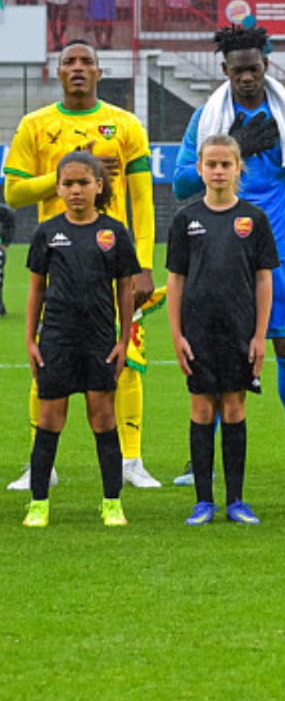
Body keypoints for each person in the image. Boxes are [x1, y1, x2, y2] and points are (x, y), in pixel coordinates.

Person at [174, 23, 285, 485]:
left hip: (278, 250)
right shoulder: (207, 119)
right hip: (219, 254)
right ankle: (201, 459)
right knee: (217, 351)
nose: (247, 78)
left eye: (255, 69)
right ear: (225, 70)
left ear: (266, 66)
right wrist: (235, 147)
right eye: (238, 71)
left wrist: (264, 223)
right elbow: (182, 182)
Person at [5, 40, 159, 493]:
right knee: (47, 361)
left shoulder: (125, 124)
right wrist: (63, 176)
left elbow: (143, 199)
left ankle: (132, 460)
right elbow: (12, 193)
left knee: (126, 356)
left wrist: (145, 265)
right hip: (58, 262)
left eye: (85, 61)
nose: (77, 67)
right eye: (69, 61)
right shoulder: (36, 125)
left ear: (99, 70)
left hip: (116, 263)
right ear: (57, 71)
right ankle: (42, 464)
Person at [20, 152, 140, 527]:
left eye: (83, 183)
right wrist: (30, 338)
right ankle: (39, 503)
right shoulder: (47, 232)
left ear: (98, 186)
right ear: (57, 188)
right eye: (68, 184)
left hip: (100, 339)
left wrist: (124, 340)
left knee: (103, 417)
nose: (76, 190)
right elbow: (36, 289)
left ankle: (111, 502)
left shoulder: (115, 232)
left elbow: (126, 289)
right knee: (50, 418)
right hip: (56, 338)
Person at [166, 135, 276, 526]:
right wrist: (177, 335)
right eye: (210, 164)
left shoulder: (254, 219)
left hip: (239, 332)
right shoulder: (185, 219)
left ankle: (236, 500)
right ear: (199, 169)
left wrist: (260, 336)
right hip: (197, 332)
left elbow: (264, 280)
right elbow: (176, 280)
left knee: (233, 408)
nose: (217, 171)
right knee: (200, 410)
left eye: (225, 164)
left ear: (238, 169)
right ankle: (202, 501)